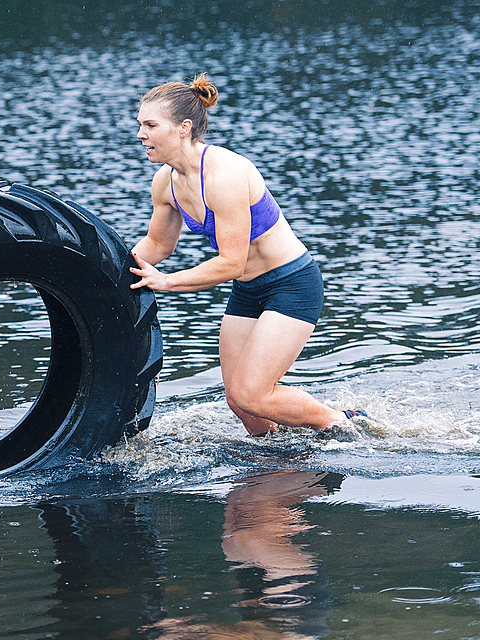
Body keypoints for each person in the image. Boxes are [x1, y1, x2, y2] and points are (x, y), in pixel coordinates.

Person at [130, 73, 364, 435]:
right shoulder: (165, 182)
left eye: (150, 125)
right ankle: (280, 460)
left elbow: (230, 262)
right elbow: (159, 245)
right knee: (242, 405)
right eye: (140, 124)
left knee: (251, 393)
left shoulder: (224, 176)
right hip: (248, 290)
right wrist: (111, 270)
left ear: (183, 128)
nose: (141, 134)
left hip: (292, 284)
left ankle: (347, 425)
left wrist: (166, 282)